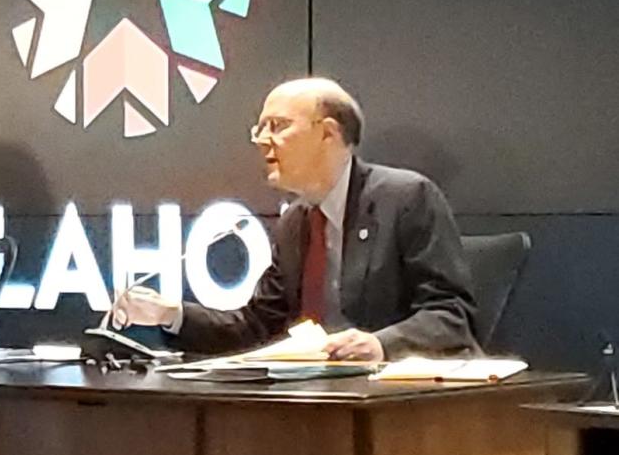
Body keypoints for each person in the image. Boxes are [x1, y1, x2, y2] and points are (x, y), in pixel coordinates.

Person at [113, 78, 478, 360]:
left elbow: (451, 314)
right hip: (320, 400)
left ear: (329, 133)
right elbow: (258, 328)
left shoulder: (406, 198)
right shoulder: (295, 224)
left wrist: (380, 344)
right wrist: (171, 314)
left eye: (278, 125)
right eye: (259, 128)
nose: (262, 141)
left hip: (406, 408)